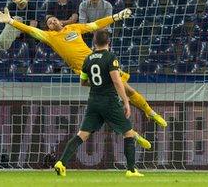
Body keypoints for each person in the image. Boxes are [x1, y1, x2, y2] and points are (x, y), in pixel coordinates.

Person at [0, 7, 167, 129]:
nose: (52, 22)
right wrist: (11, 21)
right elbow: (30, 29)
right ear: (49, 28)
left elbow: (95, 25)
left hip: (99, 61)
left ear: (59, 20)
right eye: (49, 23)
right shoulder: (50, 36)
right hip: (85, 71)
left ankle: (148, 112)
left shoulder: (74, 28)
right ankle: (131, 129)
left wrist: (116, 17)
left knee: (126, 90)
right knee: (112, 94)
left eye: (53, 19)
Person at [53, 30, 145, 177]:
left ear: (94, 43)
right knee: (129, 133)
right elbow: (116, 80)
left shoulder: (88, 59)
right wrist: (126, 101)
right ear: (108, 42)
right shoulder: (110, 57)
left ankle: (61, 162)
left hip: (93, 101)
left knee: (82, 135)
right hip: (109, 101)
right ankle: (131, 170)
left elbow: (83, 82)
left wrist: (98, 84)